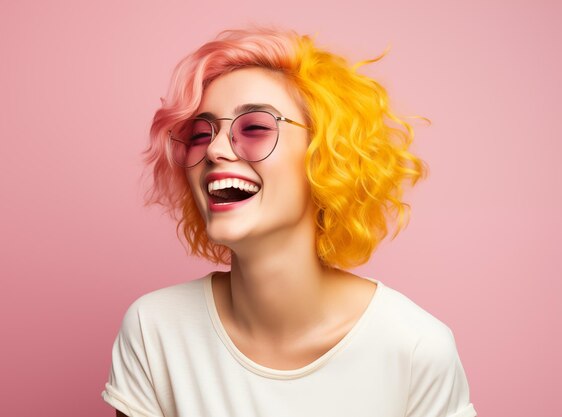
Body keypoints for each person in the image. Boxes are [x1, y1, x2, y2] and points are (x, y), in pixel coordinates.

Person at [101, 26, 477, 417]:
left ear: (326, 155)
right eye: (200, 133)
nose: (214, 149)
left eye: (255, 128)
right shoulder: (155, 330)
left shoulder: (415, 349)